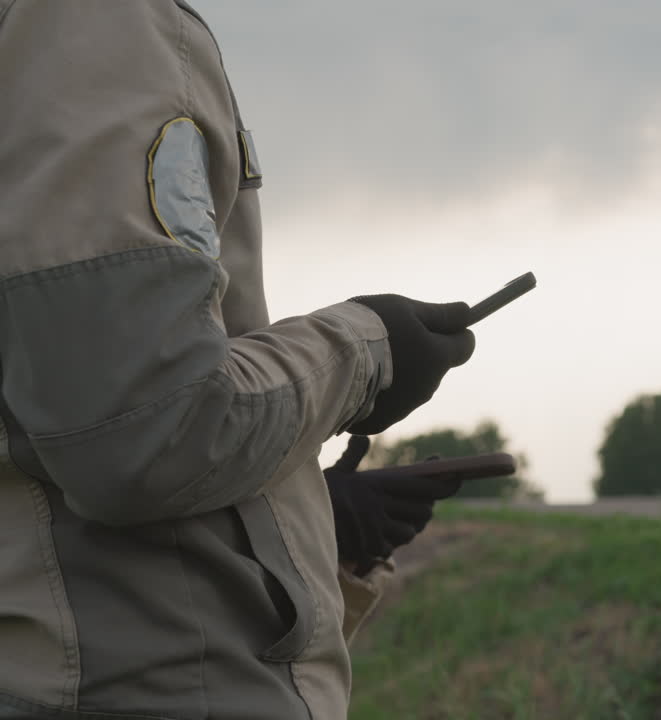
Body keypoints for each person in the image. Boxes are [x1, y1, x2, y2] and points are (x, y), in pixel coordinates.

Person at [0, 2, 474, 718]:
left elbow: (84, 406)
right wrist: (368, 350)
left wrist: (308, 521)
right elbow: (144, 429)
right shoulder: (92, 15)